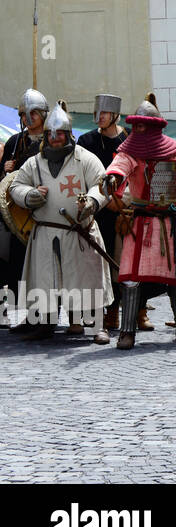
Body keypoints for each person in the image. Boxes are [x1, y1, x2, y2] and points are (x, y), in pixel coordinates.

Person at [90, 95, 176, 350]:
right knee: (130, 277)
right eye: (137, 126)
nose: (140, 130)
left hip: (171, 222)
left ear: (154, 127)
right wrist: (113, 177)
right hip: (141, 223)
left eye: (144, 126)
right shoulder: (130, 152)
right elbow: (120, 166)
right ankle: (127, 332)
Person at [8, 103, 113, 342]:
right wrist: (29, 195)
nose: (55, 138)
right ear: (46, 135)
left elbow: (103, 185)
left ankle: (97, 325)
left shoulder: (84, 159)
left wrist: (91, 203)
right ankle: (45, 324)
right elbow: (15, 186)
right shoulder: (35, 162)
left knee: (87, 279)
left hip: (79, 232)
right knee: (46, 279)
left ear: (68, 134)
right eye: (51, 134)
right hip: (45, 232)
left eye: (60, 134)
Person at [75, 93, 127, 331]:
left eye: (104, 113)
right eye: (97, 113)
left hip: (123, 211)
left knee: (123, 263)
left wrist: (122, 202)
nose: (99, 117)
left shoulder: (128, 140)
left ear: (114, 115)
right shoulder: (86, 141)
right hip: (96, 212)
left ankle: (130, 311)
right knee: (95, 261)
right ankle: (100, 312)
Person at [1, 89, 48, 324]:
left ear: (42, 114)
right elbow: (2, 184)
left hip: (43, 213)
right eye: (23, 115)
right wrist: (5, 170)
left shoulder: (52, 140)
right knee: (19, 266)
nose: (27, 119)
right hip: (17, 216)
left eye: (32, 113)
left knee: (41, 268)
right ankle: (30, 316)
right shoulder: (14, 142)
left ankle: (42, 318)